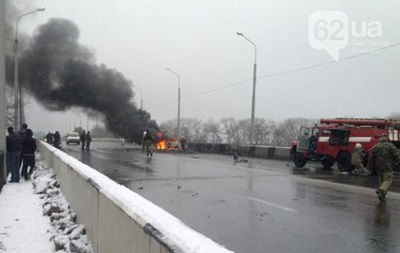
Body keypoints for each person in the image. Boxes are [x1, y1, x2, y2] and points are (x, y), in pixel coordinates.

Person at [368, 134, 400, 201]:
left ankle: (382, 194)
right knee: (388, 179)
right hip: (387, 166)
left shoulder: (376, 146)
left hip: (378, 166)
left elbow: (371, 156)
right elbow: (396, 155)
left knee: (381, 179)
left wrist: (370, 166)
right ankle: (381, 190)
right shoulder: (390, 146)